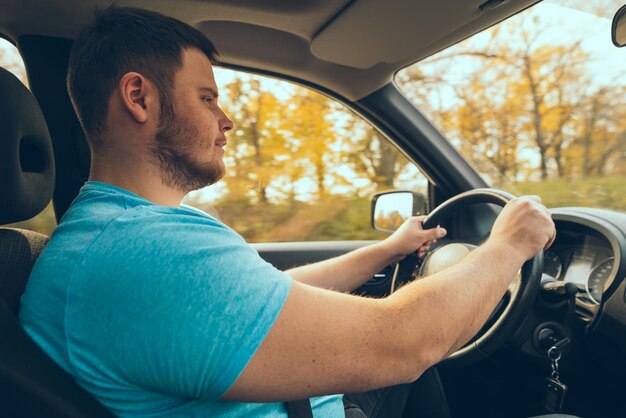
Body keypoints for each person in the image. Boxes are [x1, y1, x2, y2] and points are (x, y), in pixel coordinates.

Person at [18, 6, 556, 418]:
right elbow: (408, 340)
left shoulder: (121, 233)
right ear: (139, 96)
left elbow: (259, 300)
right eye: (207, 98)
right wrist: (510, 244)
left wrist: (386, 251)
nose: (226, 120)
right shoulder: (141, 253)